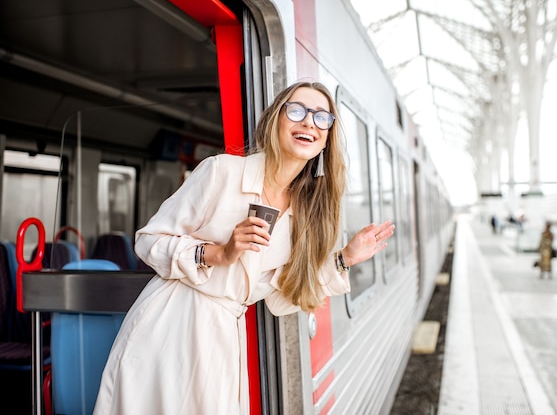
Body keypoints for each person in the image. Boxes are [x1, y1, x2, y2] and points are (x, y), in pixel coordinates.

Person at [93, 81, 395, 414]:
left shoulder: (306, 214)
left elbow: (282, 297)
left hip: (223, 336)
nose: (309, 122)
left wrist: (345, 258)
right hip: (172, 322)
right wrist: (218, 253)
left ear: (327, 137)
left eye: (322, 117)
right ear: (275, 120)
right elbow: (148, 241)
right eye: (297, 111)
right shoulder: (221, 171)